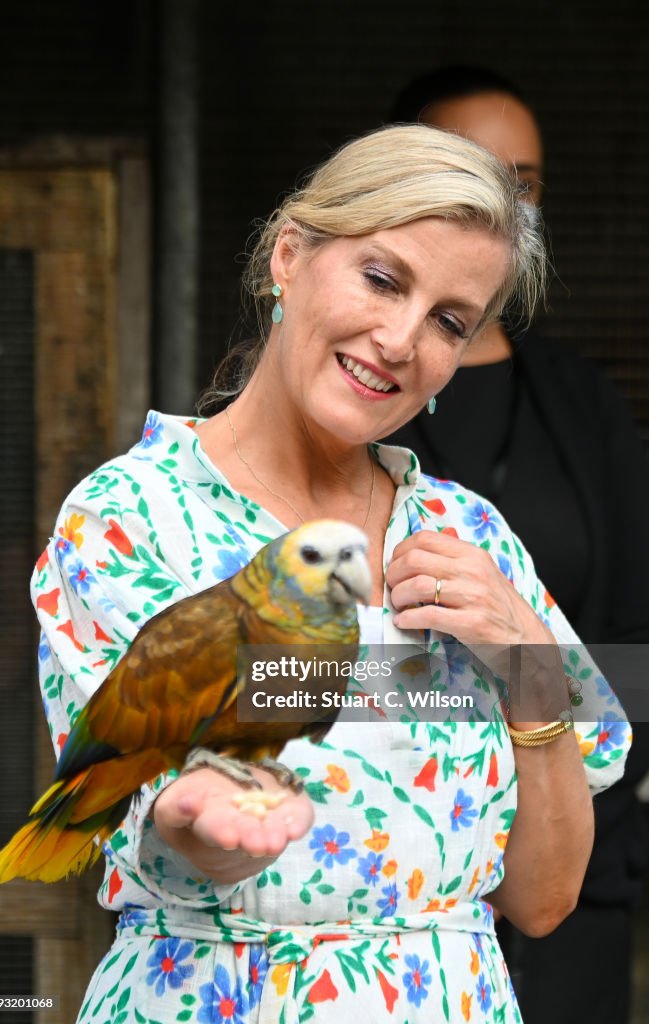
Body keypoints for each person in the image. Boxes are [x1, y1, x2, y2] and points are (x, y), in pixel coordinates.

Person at [32, 124, 629, 1024]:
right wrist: (207, 823)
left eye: (447, 322)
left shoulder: (470, 536)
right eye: (382, 278)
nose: (399, 338)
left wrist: (526, 664)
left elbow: (541, 904)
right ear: (288, 255)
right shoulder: (132, 518)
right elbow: (175, 848)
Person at [386, 67, 649, 1024]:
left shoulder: (582, 402)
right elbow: (283, 669)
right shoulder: (348, 396)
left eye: (524, 179)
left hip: (580, 850)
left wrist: (567, 786)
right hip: (388, 867)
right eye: (469, 166)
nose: (501, 199)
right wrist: (517, 680)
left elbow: (634, 646)